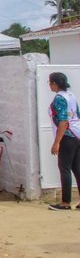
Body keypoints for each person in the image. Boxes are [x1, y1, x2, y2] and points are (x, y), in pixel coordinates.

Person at [47, 72, 80, 210]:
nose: (49, 85)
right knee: (77, 169)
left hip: (67, 136)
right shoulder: (71, 95)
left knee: (64, 168)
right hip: (77, 134)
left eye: (50, 83)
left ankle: (65, 202)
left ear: (54, 83)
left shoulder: (59, 98)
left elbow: (63, 121)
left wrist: (57, 142)